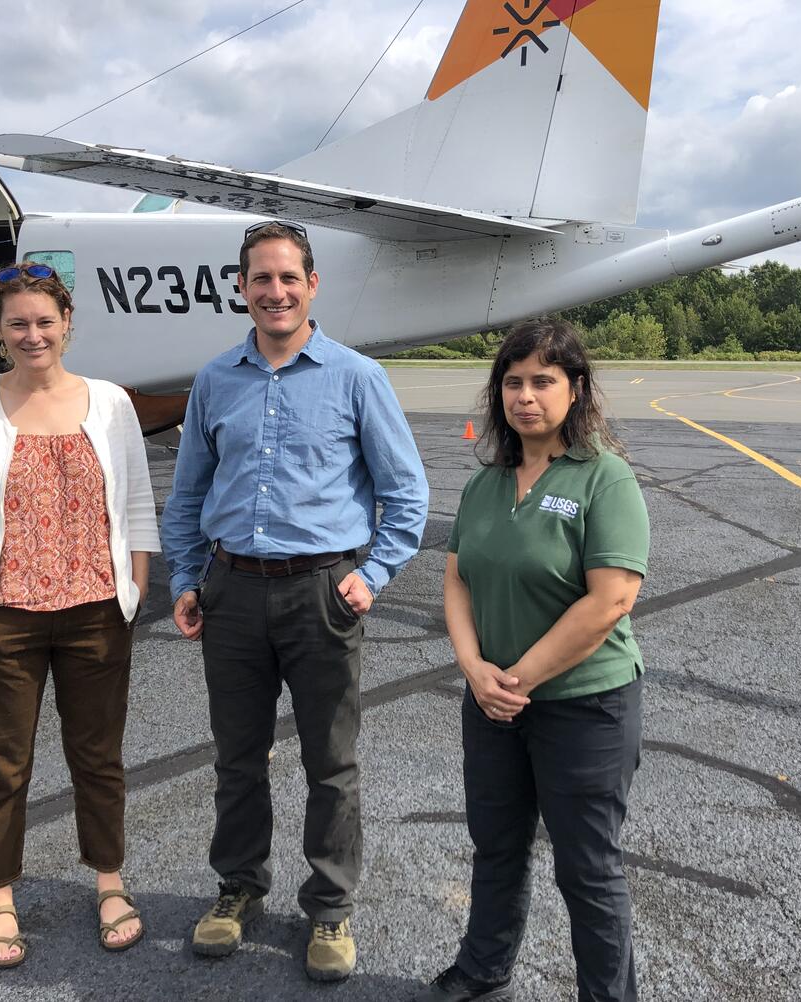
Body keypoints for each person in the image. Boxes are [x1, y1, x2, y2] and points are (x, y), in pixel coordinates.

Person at [160, 221, 429, 982]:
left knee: (330, 763)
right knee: (237, 758)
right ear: (240, 288)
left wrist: (371, 576)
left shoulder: (355, 377)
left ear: (313, 285)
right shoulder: (215, 380)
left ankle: (331, 907)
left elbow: (406, 493)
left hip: (322, 593)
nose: (274, 292)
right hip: (233, 592)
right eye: (259, 279)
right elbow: (186, 496)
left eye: (288, 278)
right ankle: (238, 888)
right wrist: (185, 579)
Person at [0, 262, 159, 968]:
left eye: (45, 321)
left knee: (98, 758)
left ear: (67, 323)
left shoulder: (111, 402)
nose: (33, 335)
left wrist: (135, 586)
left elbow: (141, 504)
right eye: (17, 323)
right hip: (4, 618)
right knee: (3, 763)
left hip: (95, 615)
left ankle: (109, 883)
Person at [416, 318, 649, 1002]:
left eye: (543, 381)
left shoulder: (604, 478)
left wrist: (514, 680)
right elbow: (456, 578)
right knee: (497, 846)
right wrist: (472, 667)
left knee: (588, 870)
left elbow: (610, 600)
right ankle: (484, 968)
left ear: (574, 390)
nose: (526, 396)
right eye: (512, 382)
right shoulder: (487, 485)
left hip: (585, 707)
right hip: (492, 704)